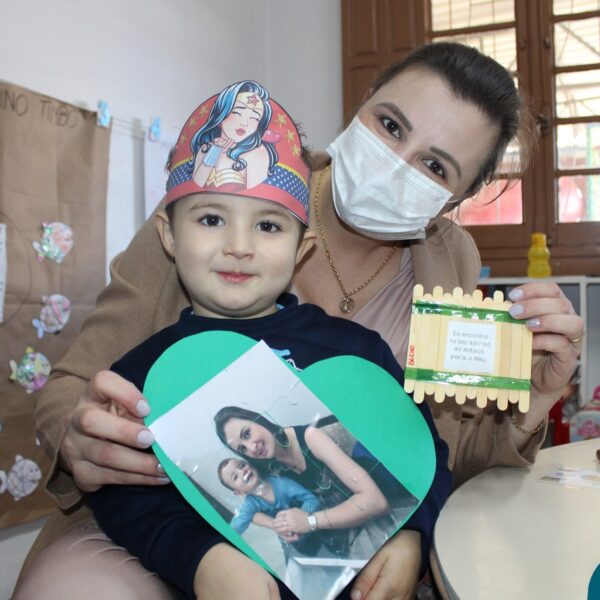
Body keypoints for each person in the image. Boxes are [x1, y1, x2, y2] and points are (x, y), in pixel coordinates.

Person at [16, 42, 584, 600]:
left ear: (458, 199)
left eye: (435, 166)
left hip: (342, 554)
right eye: (390, 125)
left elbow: (438, 451)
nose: (396, 162)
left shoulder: (449, 260)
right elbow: (73, 386)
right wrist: (84, 439)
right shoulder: (220, 190)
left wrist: (533, 397)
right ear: (363, 102)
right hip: (162, 523)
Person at [27, 82, 450, 600]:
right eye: (211, 219)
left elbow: (421, 452)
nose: (239, 245)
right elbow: (125, 493)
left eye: (269, 226)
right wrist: (201, 558)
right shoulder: (144, 374)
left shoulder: (359, 350)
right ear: (168, 234)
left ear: (301, 249)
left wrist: (412, 535)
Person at [218, 457, 322, 549]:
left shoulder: (281, 484)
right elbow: (233, 530)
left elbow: (311, 499)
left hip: (315, 524)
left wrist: (300, 519)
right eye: (235, 477)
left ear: (251, 465)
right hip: (293, 540)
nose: (242, 471)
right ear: (238, 492)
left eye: (241, 465)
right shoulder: (249, 504)